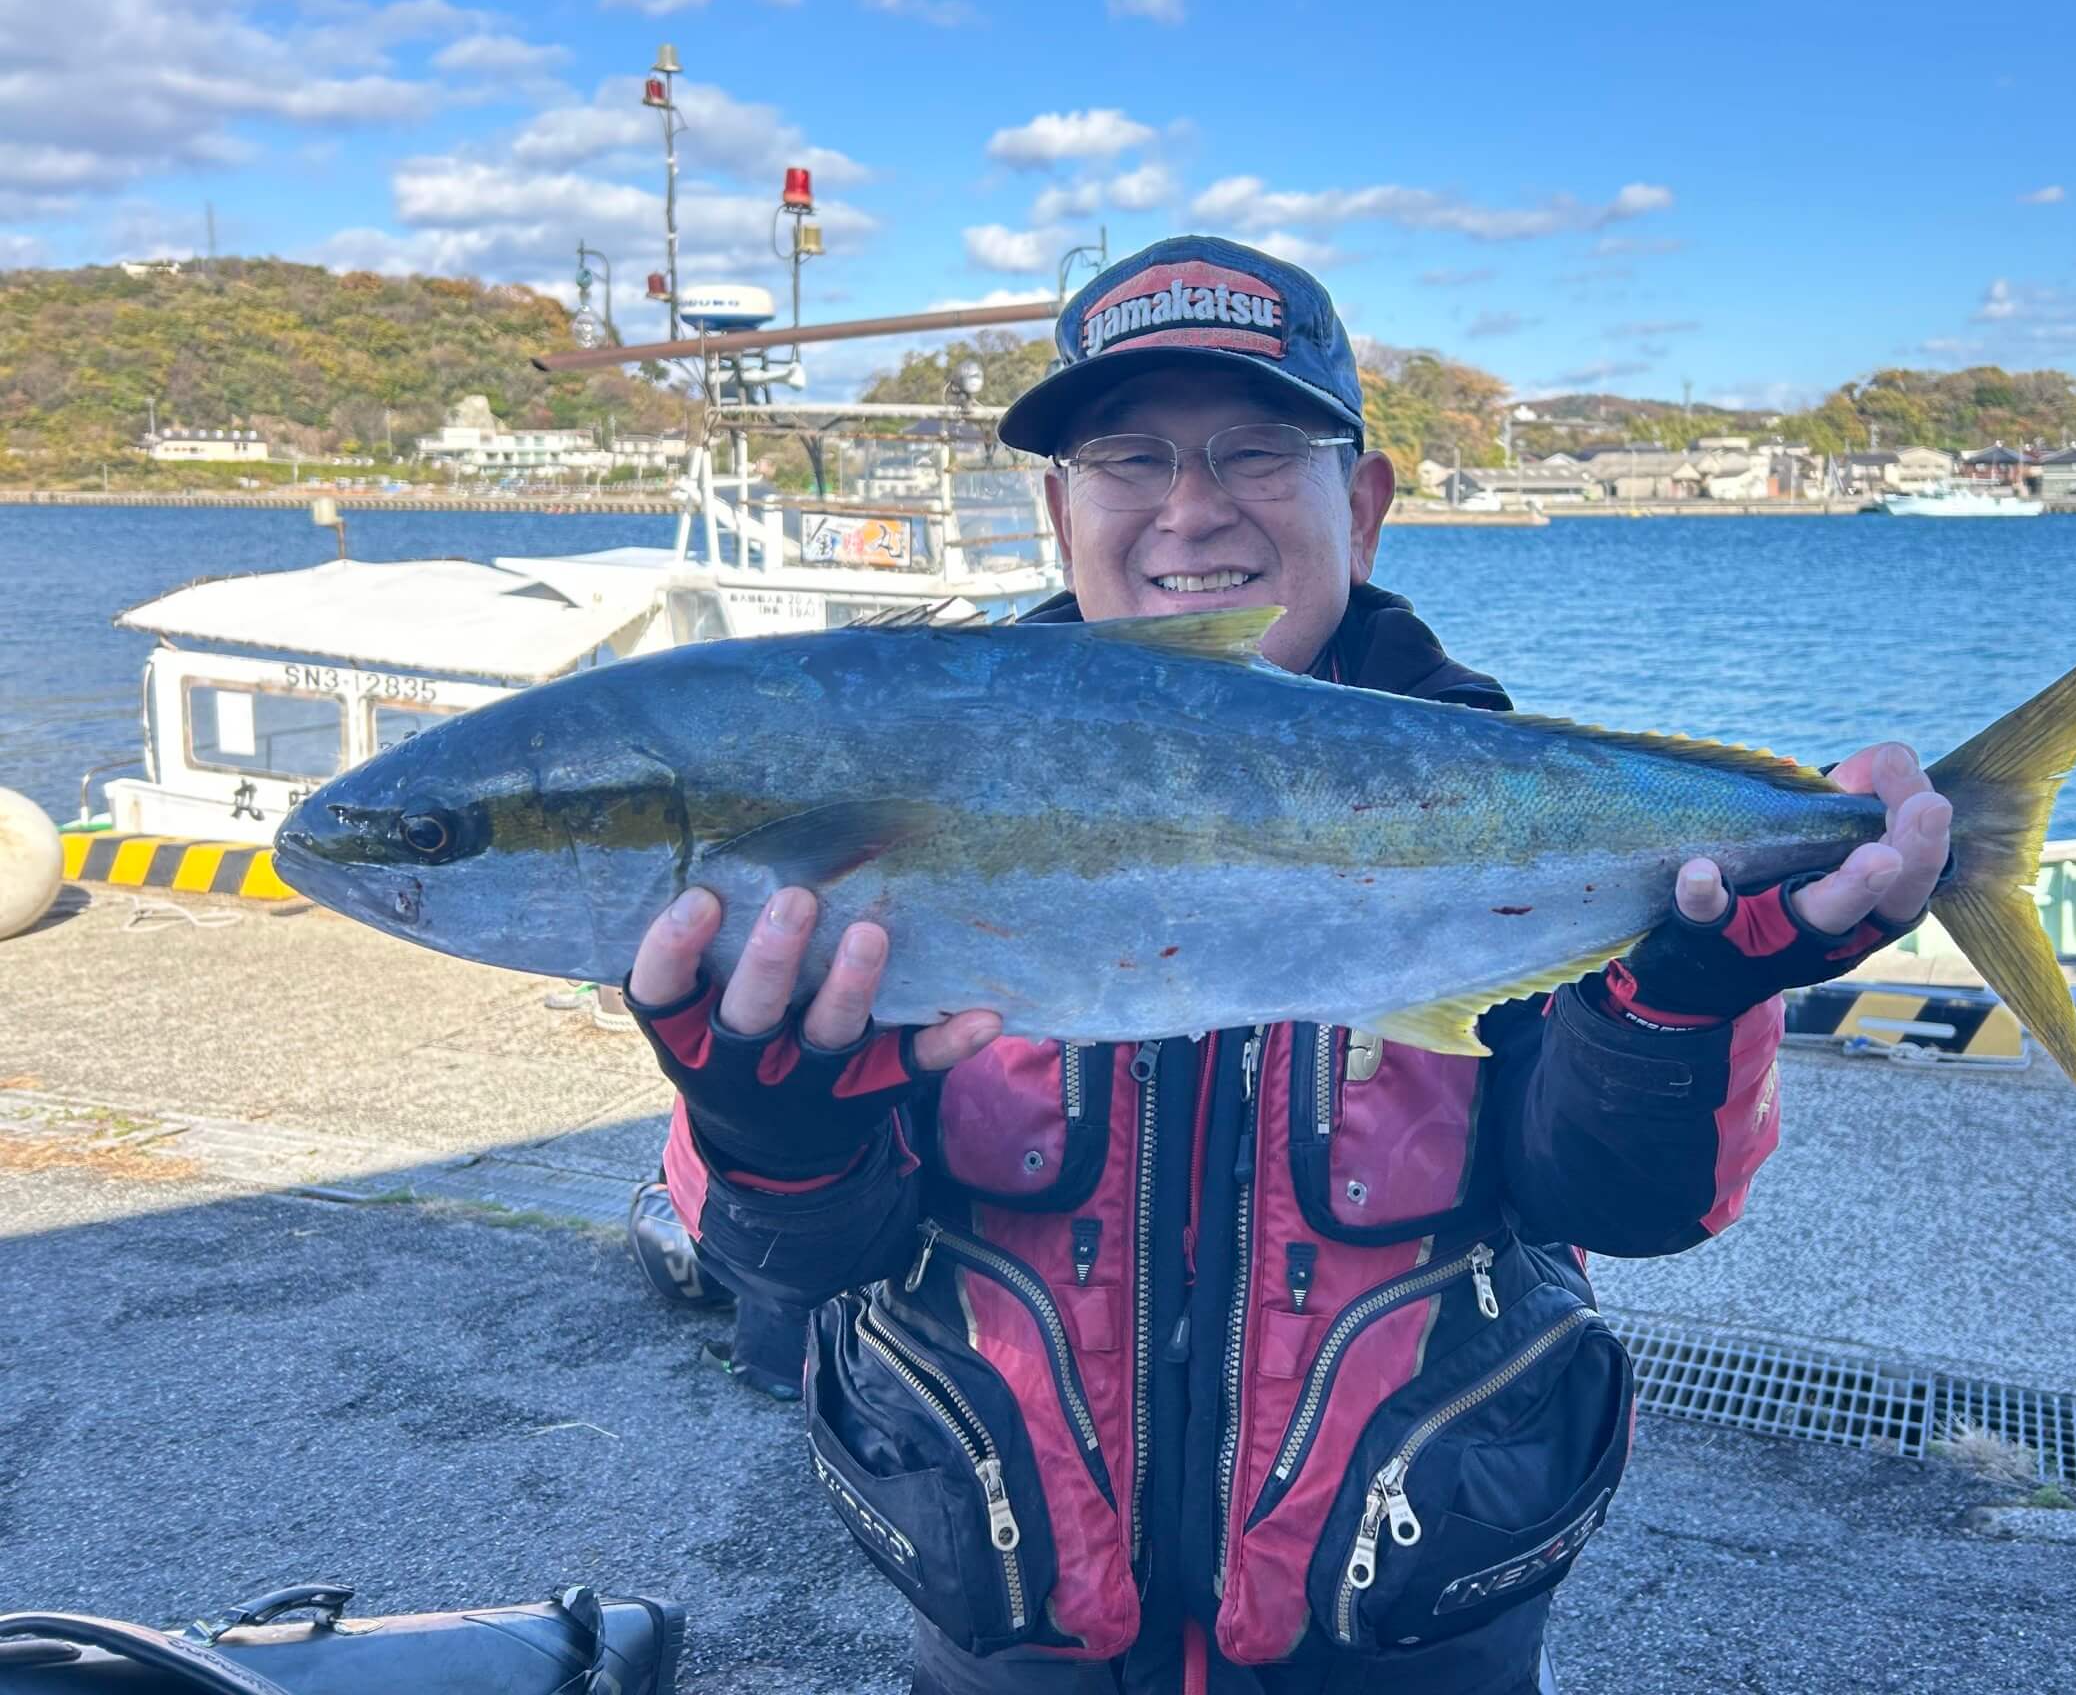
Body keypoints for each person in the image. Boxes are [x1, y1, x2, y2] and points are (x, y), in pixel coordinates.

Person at [624, 237, 1950, 1694]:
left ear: (1363, 507)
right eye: (1130, 459)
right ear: (1061, 512)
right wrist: (772, 1134)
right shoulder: (890, 789)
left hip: (1413, 1634)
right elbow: (786, 1294)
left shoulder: (1514, 807)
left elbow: (1629, 1203)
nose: (1192, 509)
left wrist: (1683, 1005)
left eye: (1258, 452)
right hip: (1010, 1632)